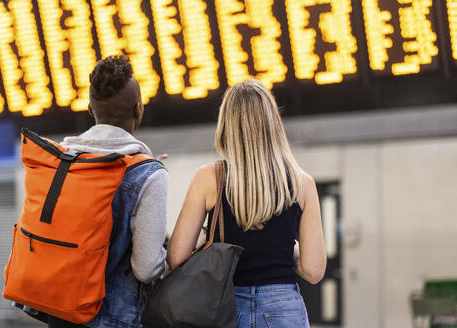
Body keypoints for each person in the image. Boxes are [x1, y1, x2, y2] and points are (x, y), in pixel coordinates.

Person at [167, 79, 326, 328]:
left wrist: (207, 236)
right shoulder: (302, 182)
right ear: (273, 124)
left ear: (227, 124)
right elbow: (313, 271)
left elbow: (176, 257)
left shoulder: (209, 178)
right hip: (284, 309)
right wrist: (286, 248)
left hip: (226, 306)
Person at [38, 55, 168, 328]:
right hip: (113, 319)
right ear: (138, 109)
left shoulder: (58, 162)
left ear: (89, 109)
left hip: (60, 312)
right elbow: (145, 269)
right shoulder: (149, 175)